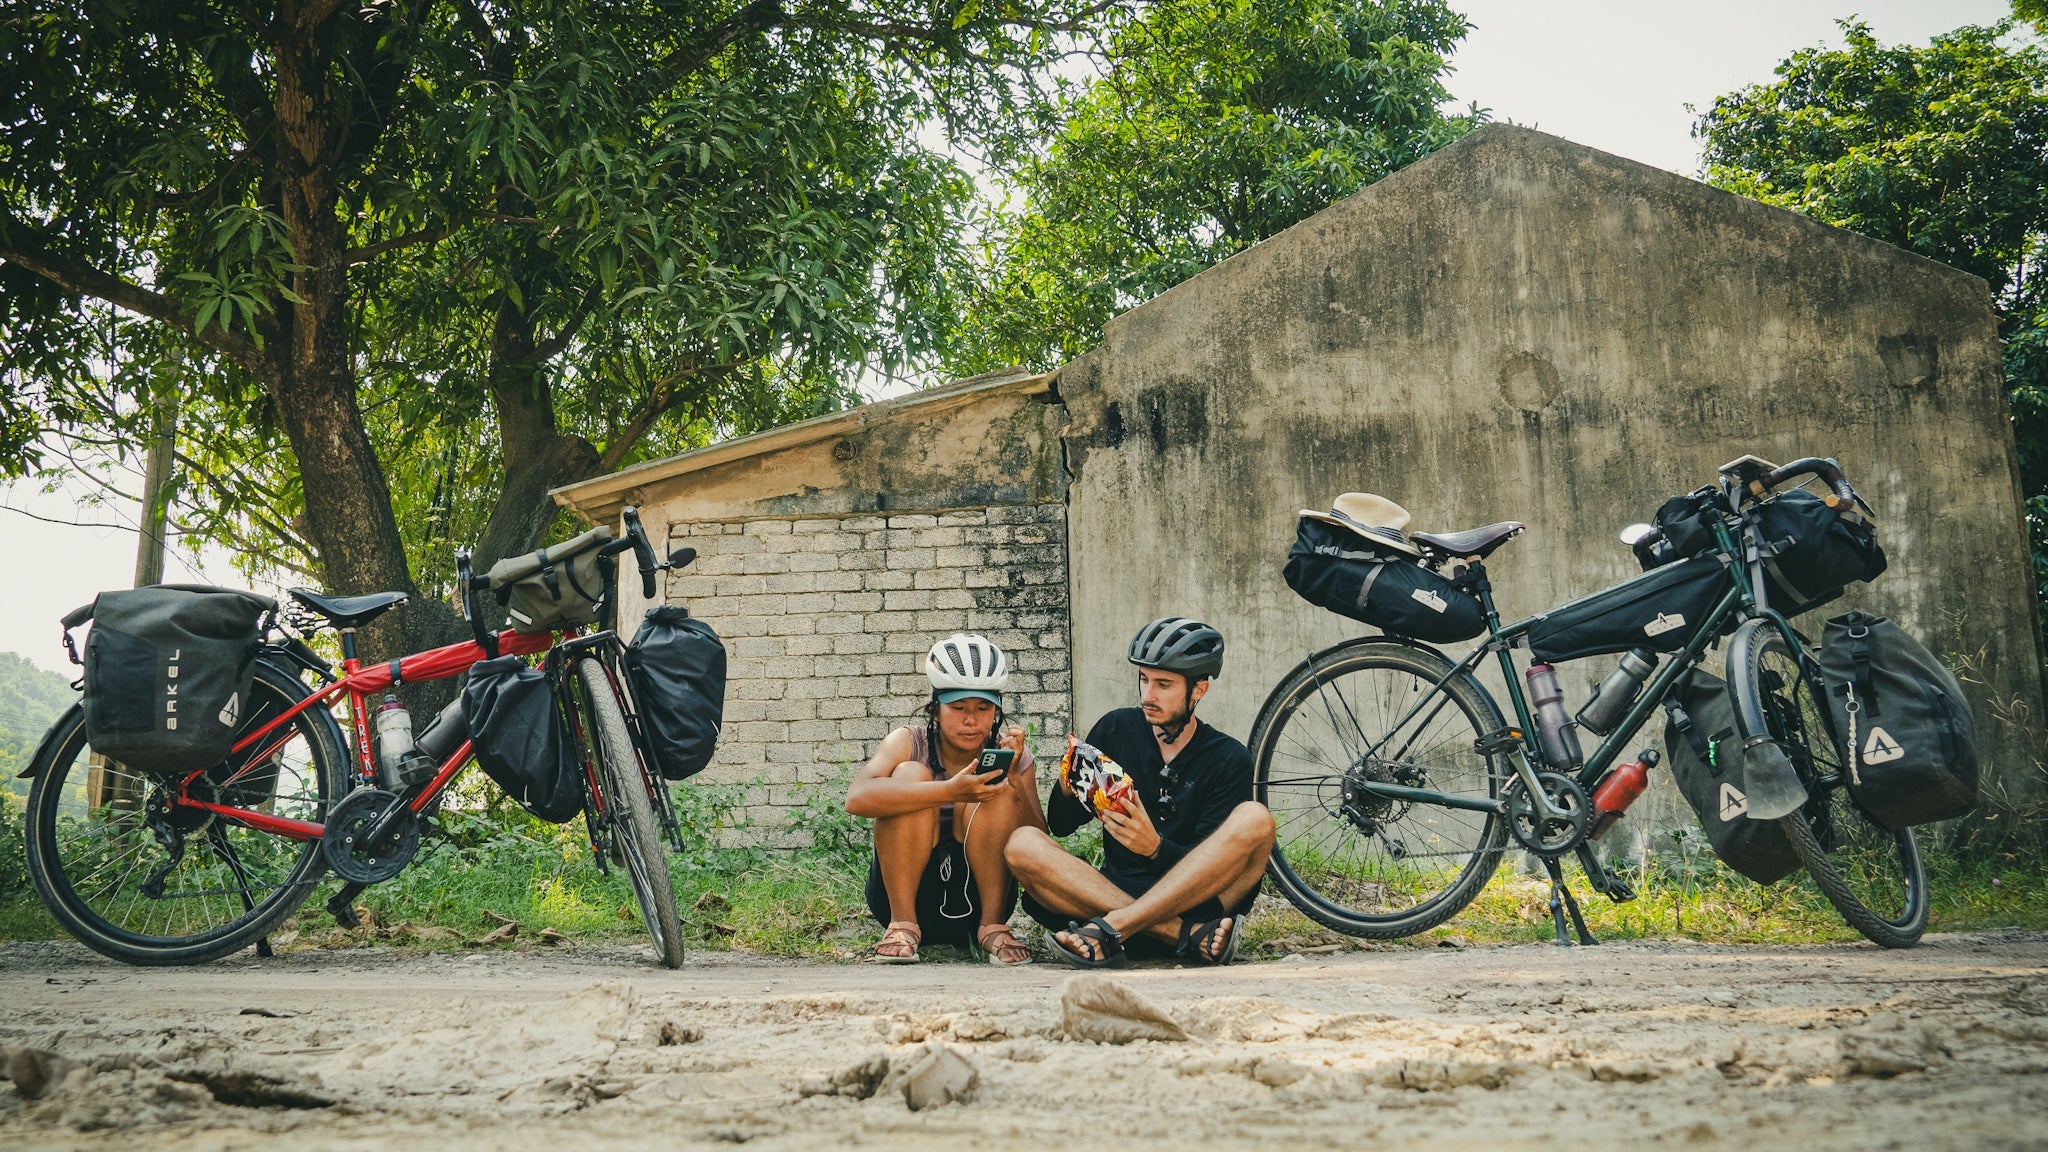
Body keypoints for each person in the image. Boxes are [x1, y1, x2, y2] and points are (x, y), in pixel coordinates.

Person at [1005, 617, 1275, 967]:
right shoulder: (1116, 729)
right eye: (1144, 680)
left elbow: (1212, 872)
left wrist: (1155, 849)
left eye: (1164, 684)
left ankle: (1115, 928)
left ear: (1199, 689)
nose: (1148, 695)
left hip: (1191, 900)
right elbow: (1060, 823)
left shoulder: (1227, 757)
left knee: (1256, 819)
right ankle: (1180, 937)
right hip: (1115, 896)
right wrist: (1069, 781)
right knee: (1022, 844)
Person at [845, 633, 1043, 964]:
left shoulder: (1012, 754)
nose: (971, 720)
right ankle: (902, 927)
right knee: (910, 776)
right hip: (907, 901)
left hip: (982, 903)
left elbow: (1037, 839)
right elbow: (857, 798)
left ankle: (993, 928)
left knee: (995, 788)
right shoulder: (909, 741)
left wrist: (1013, 783)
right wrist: (950, 790)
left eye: (983, 708)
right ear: (936, 710)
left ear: (996, 711)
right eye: (958, 708)